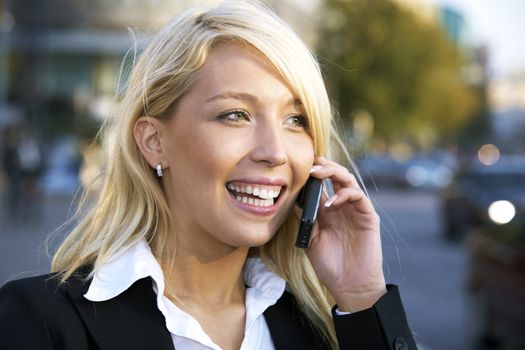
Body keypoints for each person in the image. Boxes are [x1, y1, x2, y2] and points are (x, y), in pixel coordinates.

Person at [0, 1, 417, 349]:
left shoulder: (325, 328)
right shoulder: (37, 322)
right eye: (235, 115)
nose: (274, 152)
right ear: (153, 141)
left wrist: (362, 298)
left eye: (296, 119)